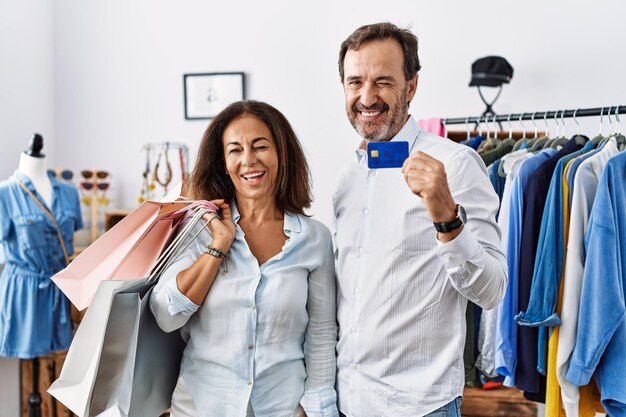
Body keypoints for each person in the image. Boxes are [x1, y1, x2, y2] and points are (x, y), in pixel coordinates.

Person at [333, 22, 508, 417]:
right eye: (355, 81)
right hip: (347, 402)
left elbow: (492, 290)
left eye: (383, 82)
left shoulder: (458, 165)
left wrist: (448, 218)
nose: (366, 96)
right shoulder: (346, 177)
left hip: (420, 406)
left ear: (411, 87)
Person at [150, 100, 339, 417]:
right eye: (235, 150)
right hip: (202, 405)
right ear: (223, 162)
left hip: (283, 406)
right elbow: (166, 315)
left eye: (260, 146)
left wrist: (317, 408)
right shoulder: (198, 229)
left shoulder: (314, 238)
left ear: (281, 153)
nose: (248, 160)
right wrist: (218, 247)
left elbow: (321, 335)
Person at [0, 134, 82, 359]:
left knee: (61, 355)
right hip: (25, 293)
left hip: (59, 290)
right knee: (30, 359)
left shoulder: (69, 192)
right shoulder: (4, 194)